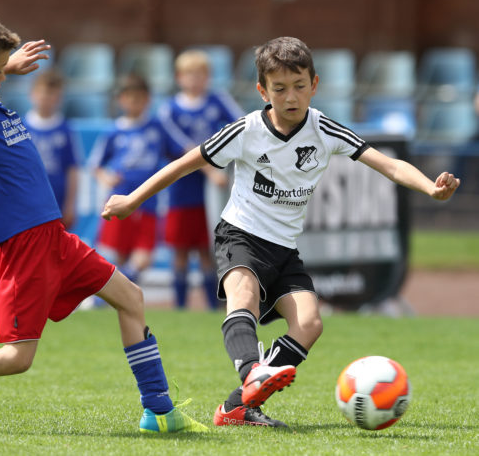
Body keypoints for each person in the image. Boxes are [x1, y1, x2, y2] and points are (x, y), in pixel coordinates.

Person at [102, 36, 460, 428]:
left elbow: (388, 164)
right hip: (239, 235)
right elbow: (184, 164)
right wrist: (132, 199)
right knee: (244, 295)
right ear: (263, 91)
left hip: (284, 249)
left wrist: (430, 186)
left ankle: (237, 407)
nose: (291, 97)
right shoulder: (245, 130)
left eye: (299, 86)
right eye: (279, 88)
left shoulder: (324, 129)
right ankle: (252, 371)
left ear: (315, 85)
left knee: (310, 323)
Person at [0, 9, 206, 434]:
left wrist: (0, 65)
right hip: (26, 246)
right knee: (17, 359)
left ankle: (158, 412)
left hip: (56, 239)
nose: (4, 78)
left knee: (132, 298)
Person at [156, 49, 244, 309]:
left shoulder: (218, 101)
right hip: (182, 190)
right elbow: (184, 150)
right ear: (179, 77)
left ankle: (212, 307)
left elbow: (242, 126)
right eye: (190, 74)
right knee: (181, 251)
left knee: (209, 249)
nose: (196, 79)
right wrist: (211, 171)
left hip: (213, 192)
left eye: (202, 74)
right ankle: (180, 307)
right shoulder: (169, 109)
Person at [91, 74, 167, 284]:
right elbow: (95, 165)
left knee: (144, 256)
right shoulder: (114, 131)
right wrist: (106, 177)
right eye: (130, 98)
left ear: (148, 99)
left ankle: (107, 295)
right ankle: (122, 300)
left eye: (139, 98)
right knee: (121, 254)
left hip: (147, 201)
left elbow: (177, 153)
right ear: (121, 100)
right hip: (119, 199)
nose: (135, 103)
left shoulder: (157, 128)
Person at [24, 68, 78, 230]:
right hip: (28, 202)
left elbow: (72, 170)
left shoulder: (64, 129)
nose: (46, 98)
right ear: (32, 94)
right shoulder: (21, 127)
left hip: (56, 202)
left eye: (52, 94)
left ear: (60, 98)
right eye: (43, 92)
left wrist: (70, 205)